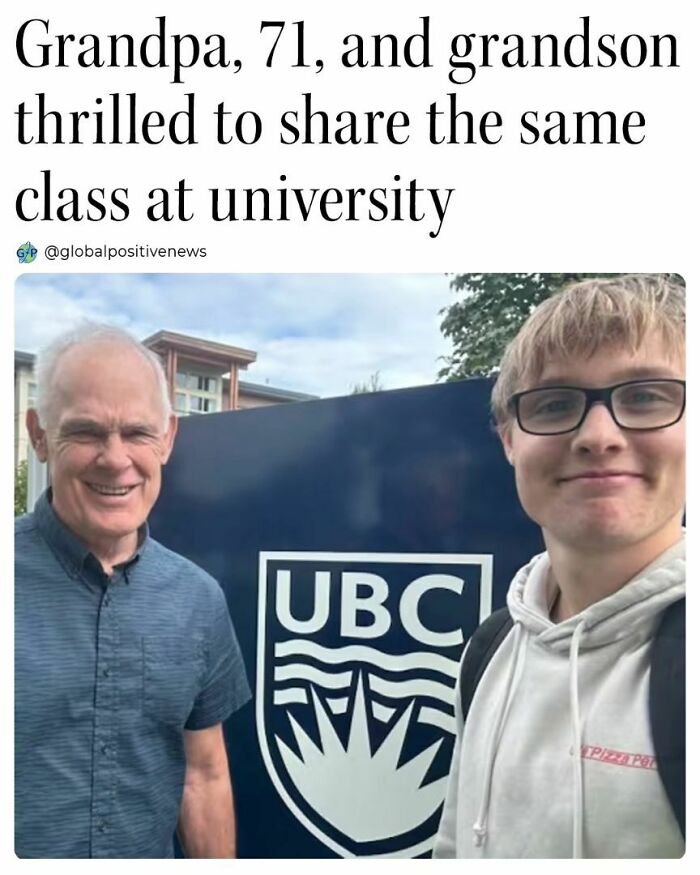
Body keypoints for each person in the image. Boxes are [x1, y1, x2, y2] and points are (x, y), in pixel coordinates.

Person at [433, 275, 685, 859]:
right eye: (554, 404)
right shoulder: (490, 648)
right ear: (508, 440)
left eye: (645, 396)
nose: (599, 436)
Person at [15, 323, 251, 858]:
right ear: (39, 434)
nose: (116, 459)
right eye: (87, 432)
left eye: (138, 433)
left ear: (167, 437)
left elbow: (203, 777)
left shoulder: (199, 600)